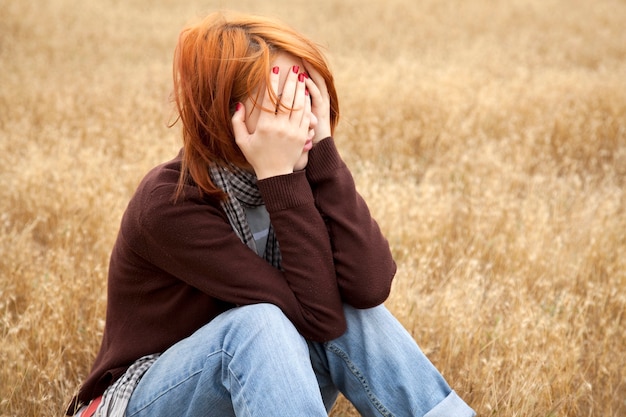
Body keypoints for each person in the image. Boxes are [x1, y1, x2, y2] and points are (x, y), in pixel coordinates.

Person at [66, 11, 475, 417]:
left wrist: (325, 159)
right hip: (146, 397)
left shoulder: (299, 171)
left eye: (307, 94)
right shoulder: (169, 204)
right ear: (229, 115)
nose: (305, 120)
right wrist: (279, 179)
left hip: (258, 388)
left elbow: (369, 286)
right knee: (259, 323)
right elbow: (314, 316)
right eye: (286, 103)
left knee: (348, 304)